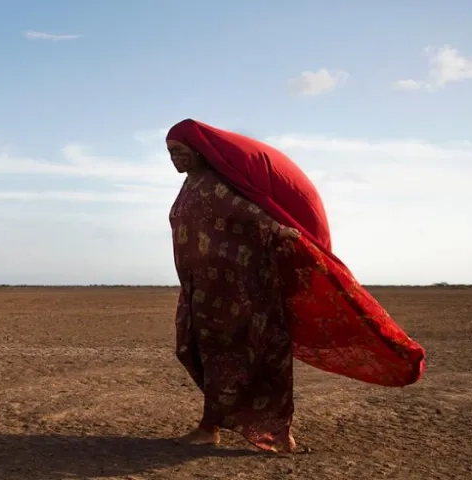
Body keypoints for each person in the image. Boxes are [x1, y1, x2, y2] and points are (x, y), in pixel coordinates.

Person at [165, 119, 425, 453]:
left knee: (246, 358)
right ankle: (212, 425)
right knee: (196, 351)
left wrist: (278, 230)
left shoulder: (216, 184)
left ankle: (264, 431)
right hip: (201, 292)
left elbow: (249, 214)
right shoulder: (190, 187)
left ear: (198, 150)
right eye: (171, 153)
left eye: (180, 151)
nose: (175, 159)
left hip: (237, 293)